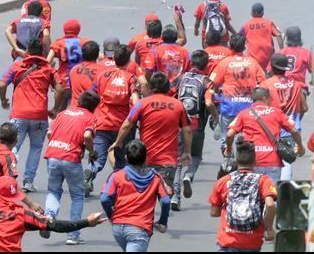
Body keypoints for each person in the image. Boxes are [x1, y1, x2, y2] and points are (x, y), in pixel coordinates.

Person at [109, 73, 191, 201]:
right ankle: (164, 198)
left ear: (151, 88)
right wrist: (187, 152)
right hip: (168, 160)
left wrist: (118, 141)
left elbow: (127, 125)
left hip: (145, 158)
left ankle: (147, 217)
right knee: (164, 195)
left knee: (145, 195)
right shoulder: (178, 105)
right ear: (168, 87)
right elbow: (187, 130)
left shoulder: (142, 103)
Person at [0, 38, 62, 192]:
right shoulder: (48, 69)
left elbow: (2, 84)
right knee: (35, 148)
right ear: (42, 52)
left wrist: (3, 100)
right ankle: (28, 181)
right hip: (39, 116)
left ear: (26, 51)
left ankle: (8, 173)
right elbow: (60, 89)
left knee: (13, 146)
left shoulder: (17, 66)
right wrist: (55, 108)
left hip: (19, 114)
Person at [43, 90, 98, 245]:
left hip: (53, 155)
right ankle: (73, 235)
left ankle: (48, 218)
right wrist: (91, 152)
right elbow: (87, 136)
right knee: (77, 195)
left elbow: (49, 133)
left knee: (54, 191)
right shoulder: (90, 117)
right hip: (71, 158)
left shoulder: (63, 113)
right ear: (94, 107)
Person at [100, 139, 172, 252]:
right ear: (146, 158)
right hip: (139, 229)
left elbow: (104, 198)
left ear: (126, 158)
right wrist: (163, 222)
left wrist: (111, 216)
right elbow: (166, 201)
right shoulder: (156, 177)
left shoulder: (116, 176)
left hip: (118, 228)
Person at [87, 45, 140, 194]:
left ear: (114, 59)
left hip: (102, 122)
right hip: (122, 127)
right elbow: (135, 102)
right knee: (121, 162)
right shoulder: (131, 78)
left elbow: (92, 95)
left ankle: (90, 172)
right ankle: (116, 188)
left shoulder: (102, 76)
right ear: (129, 61)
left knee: (99, 158)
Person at [208, 140, 278, 252]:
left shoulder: (224, 181)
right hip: (252, 243)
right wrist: (269, 229)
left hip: (228, 241)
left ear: (236, 162)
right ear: (255, 162)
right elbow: (270, 205)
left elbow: (213, 212)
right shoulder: (263, 180)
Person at [225, 87, 304, 184]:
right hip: (273, 162)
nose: (271, 100)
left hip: (252, 161)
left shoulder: (244, 114)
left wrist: (228, 149)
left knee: (253, 193)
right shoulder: (277, 112)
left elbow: (229, 135)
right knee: (271, 194)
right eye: (270, 98)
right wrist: (300, 146)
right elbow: (294, 131)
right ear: (265, 98)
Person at [173, 50, 217, 210]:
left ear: (191, 63)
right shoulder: (207, 82)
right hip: (197, 126)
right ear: (206, 65)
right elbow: (209, 103)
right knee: (196, 156)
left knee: (177, 161)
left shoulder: (180, 78)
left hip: (179, 124)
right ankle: (189, 175)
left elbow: (172, 96)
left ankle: (175, 197)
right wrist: (216, 118)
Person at [209, 33, 266, 149]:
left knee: (226, 137)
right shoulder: (253, 62)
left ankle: (227, 158)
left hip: (230, 108)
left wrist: (217, 92)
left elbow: (211, 83)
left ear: (230, 46)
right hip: (249, 108)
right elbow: (263, 84)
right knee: (250, 138)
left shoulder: (224, 63)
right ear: (244, 47)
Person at [47, 19, 89, 111]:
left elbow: (47, 62)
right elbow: (98, 56)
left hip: (64, 82)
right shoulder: (84, 42)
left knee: (60, 112)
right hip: (80, 83)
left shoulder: (58, 43)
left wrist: (51, 79)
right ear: (78, 29)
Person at [239, 3, 283, 71]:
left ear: (252, 13)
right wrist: (282, 51)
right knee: (269, 79)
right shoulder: (269, 23)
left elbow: (238, 39)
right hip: (268, 58)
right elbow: (279, 35)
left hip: (253, 59)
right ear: (262, 13)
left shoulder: (246, 25)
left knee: (256, 78)